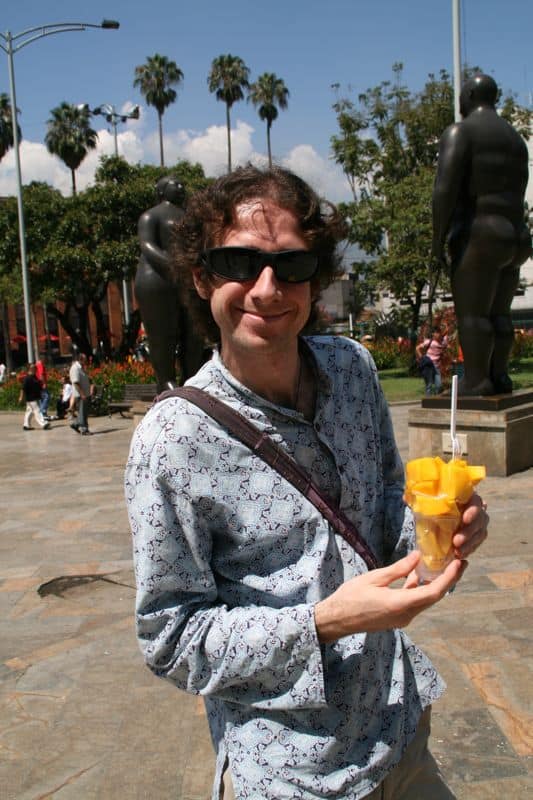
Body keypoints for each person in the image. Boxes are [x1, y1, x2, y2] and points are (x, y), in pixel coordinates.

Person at [125, 166, 489, 800]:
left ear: (313, 279)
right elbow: (172, 638)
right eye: (239, 261)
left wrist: (443, 526)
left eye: (290, 266)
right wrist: (322, 623)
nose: (267, 289)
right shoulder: (171, 440)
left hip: (400, 724)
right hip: (293, 769)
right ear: (202, 277)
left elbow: (384, 528)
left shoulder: (353, 371)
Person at [432, 73, 532, 396]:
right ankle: (499, 376)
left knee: (473, 316)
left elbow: (444, 190)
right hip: (515, 235)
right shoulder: (516, 142)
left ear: (472, 94)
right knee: (500, 315)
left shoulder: (461, 132)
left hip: (480, 234)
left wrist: (437, 240)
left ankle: (477, 381)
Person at [135, 176, 207, 393]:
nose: (181, 186)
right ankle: (165, 379)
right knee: (161, 333)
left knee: (193, 332)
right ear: (162, 190)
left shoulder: (190, 218)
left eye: (181, 184)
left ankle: (191, 377)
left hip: (187, 281)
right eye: (175, 184)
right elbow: (147, 246)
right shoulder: (151, 216)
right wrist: (177, 265)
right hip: (157, 281)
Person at [416, 327, 448, 395]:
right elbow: (417, 348)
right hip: (429, 366)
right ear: (433, 334)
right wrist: (422, 358)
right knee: (429, 385)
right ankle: (428, 400)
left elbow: (445, 348)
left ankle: (436, 400)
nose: (436, 335)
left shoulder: (443, 343)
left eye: (438, 333)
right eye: (435, 333)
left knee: (438, 385)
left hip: (437, 367)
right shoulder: (429, 342)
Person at [18, 364, 50, 431]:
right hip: (31, 398)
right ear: (29, 369)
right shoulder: (27, 378)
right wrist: (21, 397)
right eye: (33, 368)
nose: (35, 369)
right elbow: (23, 388)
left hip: (35, 397)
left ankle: (26, 425)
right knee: (37, 410)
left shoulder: (34, 377)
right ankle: (43, 424)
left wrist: (42, 387)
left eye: (35, 368)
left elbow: (38, 385)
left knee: (29, 411)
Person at [69, 353, 91, 435]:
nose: (87, 361)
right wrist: (82, 394)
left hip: (85, 394)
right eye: (85, 359)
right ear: (81, 359)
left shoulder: (81, 368)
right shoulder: (75, 368)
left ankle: (75, 425)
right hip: (80, 395)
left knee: (84, 413)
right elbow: (76, 383)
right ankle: (84, 429)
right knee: (82, 413)